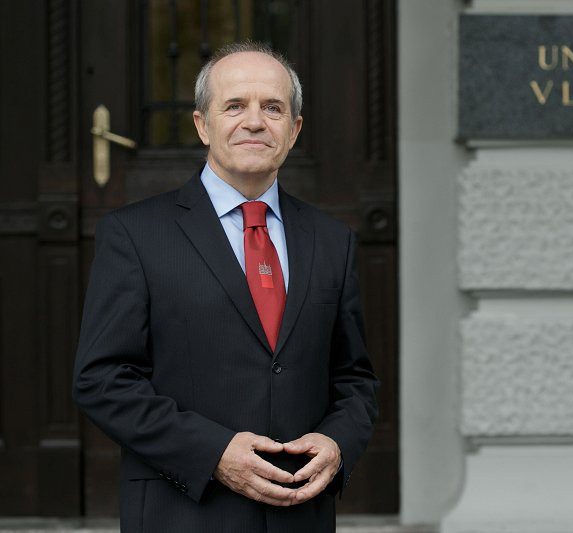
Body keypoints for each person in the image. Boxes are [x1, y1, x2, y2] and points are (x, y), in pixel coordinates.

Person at [73, 41, 379, 532]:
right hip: (183, 514)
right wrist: (213, 452)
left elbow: (354, 378)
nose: (254, 122)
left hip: (300, 517)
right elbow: (102, 380)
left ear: (294, 129)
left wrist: (338, 443)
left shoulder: (332, 241)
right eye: (235, 105)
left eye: (273, 108)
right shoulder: (135, 234)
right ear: (202, 125)